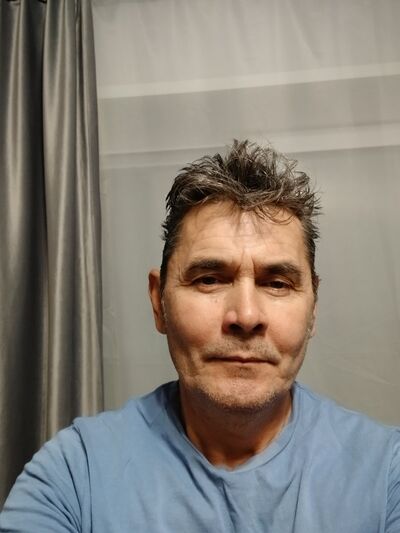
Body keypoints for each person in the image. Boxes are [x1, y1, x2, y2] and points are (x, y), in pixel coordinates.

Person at [1, 140, 399, 532]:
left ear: (312, 309)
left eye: (277, 283)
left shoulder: (387, 476)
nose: (246, 316)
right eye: (209, 279)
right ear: (159, 303)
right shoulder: (75, 476)